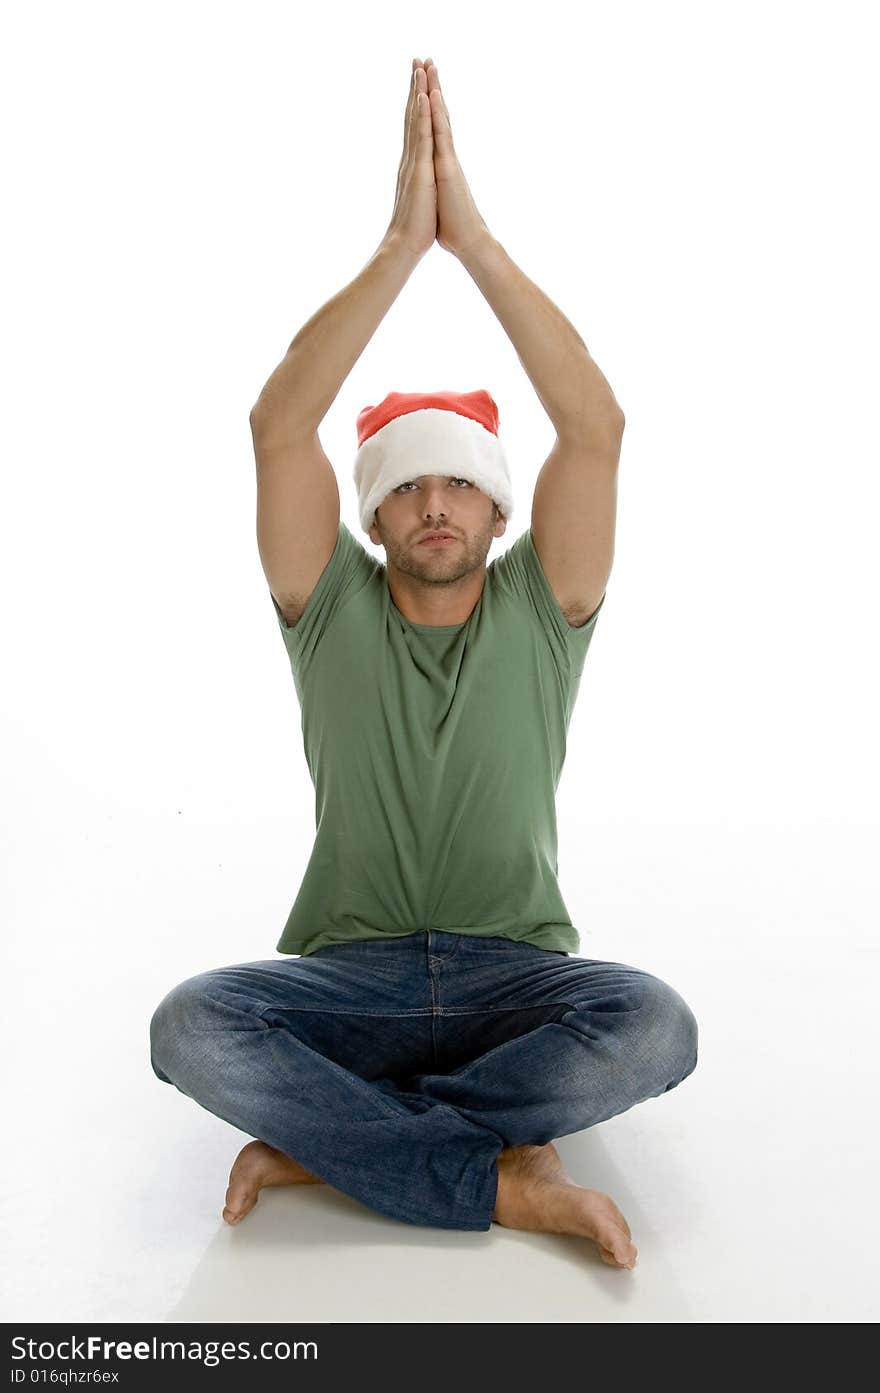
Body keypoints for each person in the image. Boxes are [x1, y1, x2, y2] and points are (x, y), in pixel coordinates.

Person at [149, 57, 698, 1273]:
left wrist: (477, 242)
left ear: (500, 514)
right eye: (406, 486)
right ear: (373, 516)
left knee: (652, 1023)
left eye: (461, 482)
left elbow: (595, 427)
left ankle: (340, 1146)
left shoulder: (544, 607)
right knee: (194, 1025)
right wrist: (403, 245)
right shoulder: (328, 604)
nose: (435, 503)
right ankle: (502, 1169)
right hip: (352, 982)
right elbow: (277, 427)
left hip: (519, 977)